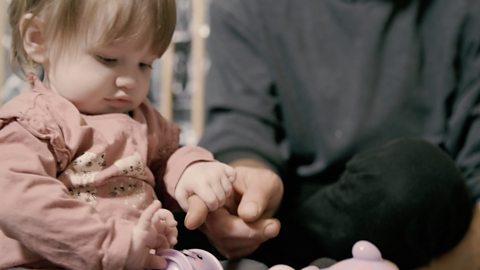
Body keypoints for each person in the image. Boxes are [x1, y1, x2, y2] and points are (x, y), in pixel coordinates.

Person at [176, 0, 480, 269]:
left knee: (414, 177)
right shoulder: (246, 8)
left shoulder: (464, 12)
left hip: (416, 218)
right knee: (172, 204)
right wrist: (245, 187)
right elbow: (240, 126)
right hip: (289, 212)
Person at [0, 1, 237, 269]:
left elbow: (166, 158)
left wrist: (190, 170)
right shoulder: (36, 122)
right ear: (38, 39)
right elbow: (20, 200)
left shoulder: (142, 117)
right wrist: (111, 246)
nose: (129, 80)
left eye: (145, 65)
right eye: (108, 59)